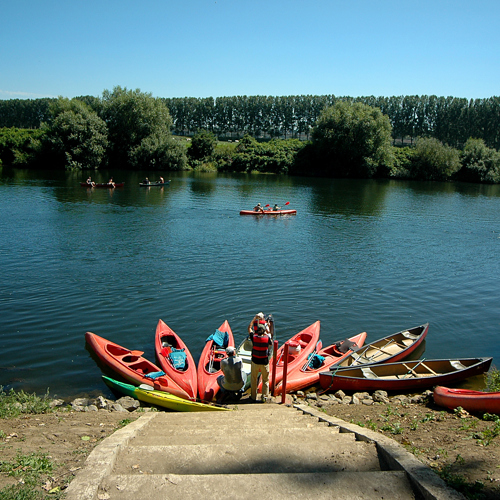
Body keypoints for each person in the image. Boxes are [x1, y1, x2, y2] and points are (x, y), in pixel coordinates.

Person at [249, 312, 273, 402]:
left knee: (254, 379)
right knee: (265, 380)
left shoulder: (254, 337)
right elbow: (270, 342)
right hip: (264, 362)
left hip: (255, 362)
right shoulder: (267, 338)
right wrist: (268, 330)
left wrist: (254, 318)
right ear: (264, 331)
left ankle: (253, 396)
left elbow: (249, 328)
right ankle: (264, 397)